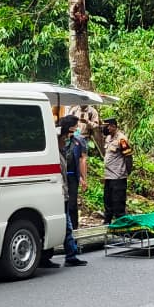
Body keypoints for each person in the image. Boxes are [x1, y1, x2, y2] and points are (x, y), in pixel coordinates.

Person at [42, 115, 88, 268]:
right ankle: (69, 255)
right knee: (64, 224)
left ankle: (68, 255)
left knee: (65, 223)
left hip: (64, 190)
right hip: (57, 192)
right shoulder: (54, 145)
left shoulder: (66, 145)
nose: (75, 132)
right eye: (74, 129)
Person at [101, 117, 132, 225]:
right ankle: (107, 222)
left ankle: (122, 225)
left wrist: (128, 171)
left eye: (108, 126)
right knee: (107, 201)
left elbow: (128, 155)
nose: (106, 128)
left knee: (118, 202)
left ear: (114, 126)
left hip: (118, 176)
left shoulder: (121, 139)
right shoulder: (108, 138)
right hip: (108, 176)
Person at [61, 114, 88, 228]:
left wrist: (83, 178)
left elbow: (82, 160)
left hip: (72, 176)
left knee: (72, 204)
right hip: (60, 177)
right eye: (76, 126)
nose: (77, 129)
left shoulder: (79, 140)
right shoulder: (59, 139)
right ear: (70, 127)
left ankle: (74, 228)